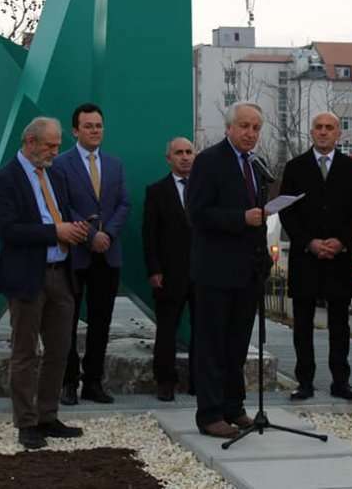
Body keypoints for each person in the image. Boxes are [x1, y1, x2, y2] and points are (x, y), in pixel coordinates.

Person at [0, 116, 89, 450]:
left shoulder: (55, 175)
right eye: (50, 145)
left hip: (61, 274)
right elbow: (9, 231)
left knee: (59, 350)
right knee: (25, 352)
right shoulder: (6, 179)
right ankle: (26, 422)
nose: (55, 151)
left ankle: (48, 415)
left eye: (58, 145)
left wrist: (73, 229)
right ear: (30, 142)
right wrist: (55, 232)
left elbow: (57, 216)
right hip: (27, 276)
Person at [187, 101, 270, 438]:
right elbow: (197, 213)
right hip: (215, 271)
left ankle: (234, 407)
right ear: (229, 128)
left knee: (238, 344)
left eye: (256, 128)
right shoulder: (209, 161)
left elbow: (257, 217)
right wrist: (241, 218)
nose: (250, 133)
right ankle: (209, 414)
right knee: (212, 345)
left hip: (247, 271)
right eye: (245, 126)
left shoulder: (256, 166)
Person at [279, 112, 352, 402]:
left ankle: (341, 381)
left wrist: (342, 241)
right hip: (306, 258)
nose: (323, 132)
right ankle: (304, 381)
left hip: (339, 259)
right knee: (302, 324)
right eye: (318, 127)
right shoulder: (295, 168)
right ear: (311, 132)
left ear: (338, 133)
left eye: (329, 128)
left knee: (339, 324)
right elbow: (287, 211)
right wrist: (309, 242)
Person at [55, 103, 131, 405]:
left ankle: (93, 382)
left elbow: (124, 204)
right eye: (88, 126)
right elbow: (62, 207)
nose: (95, 131)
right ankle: (69, 382)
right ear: (75, 130)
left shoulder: (114, 164)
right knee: (68, 322)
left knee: (102, 321)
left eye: (98, 125)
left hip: (108, 254)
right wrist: (90, 236)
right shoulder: (61, 164)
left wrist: (108, 234)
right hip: (75, 255)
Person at [142, 137, 196, 402]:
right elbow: (149, 235)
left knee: (203, 330)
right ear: (168, 158)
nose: (185, 157)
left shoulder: (205, 189)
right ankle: (165, 381)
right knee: (167, 330)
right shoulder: (156, 191)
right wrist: (154, 269)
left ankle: (199, 380)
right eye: (179, 153)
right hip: (169, 273)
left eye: (189, 152)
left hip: (202, 272)